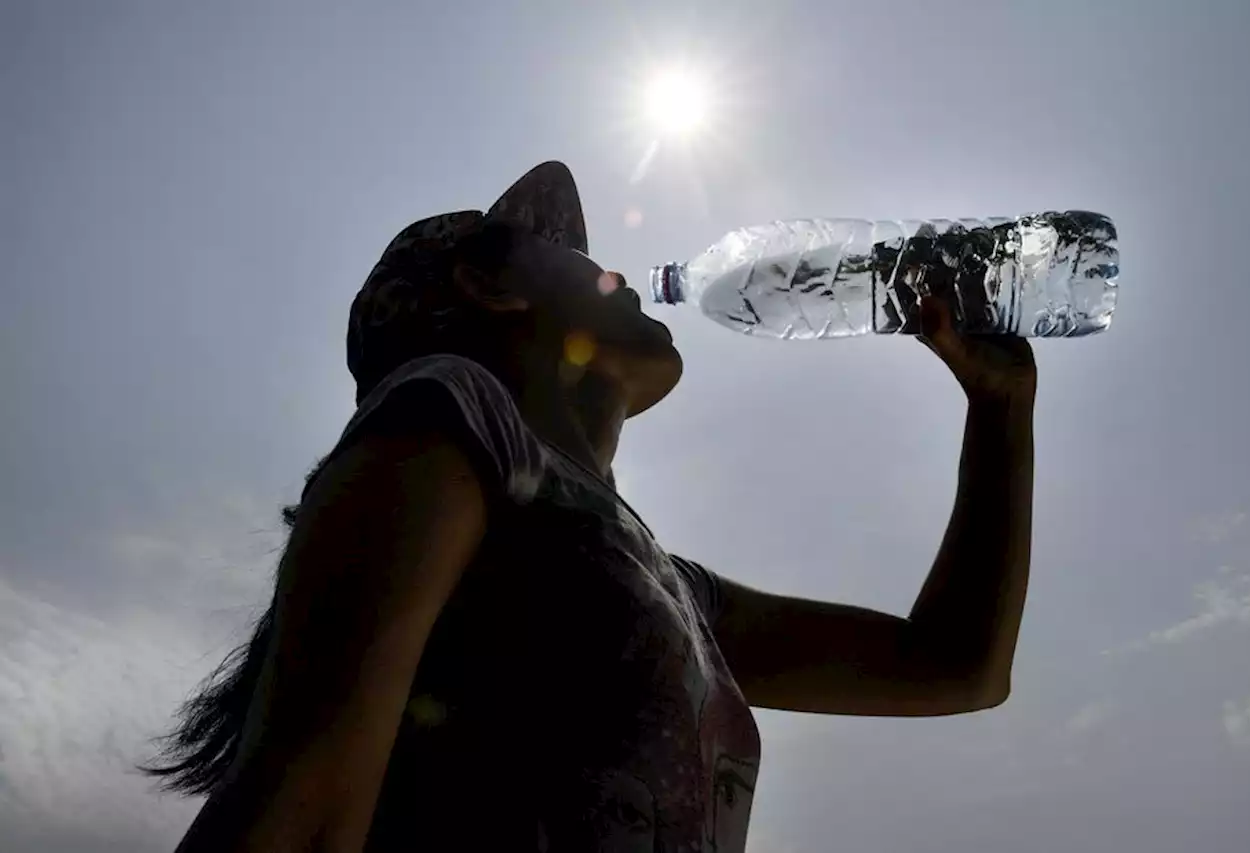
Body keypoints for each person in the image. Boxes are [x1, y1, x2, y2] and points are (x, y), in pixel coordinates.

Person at [145, 162, 1036, 853]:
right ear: (493, 288)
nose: (621, 276)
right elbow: (299, 812)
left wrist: (999, 408)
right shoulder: (451, 412)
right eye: (582, 262)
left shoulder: (663, 581)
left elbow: (956, 666)